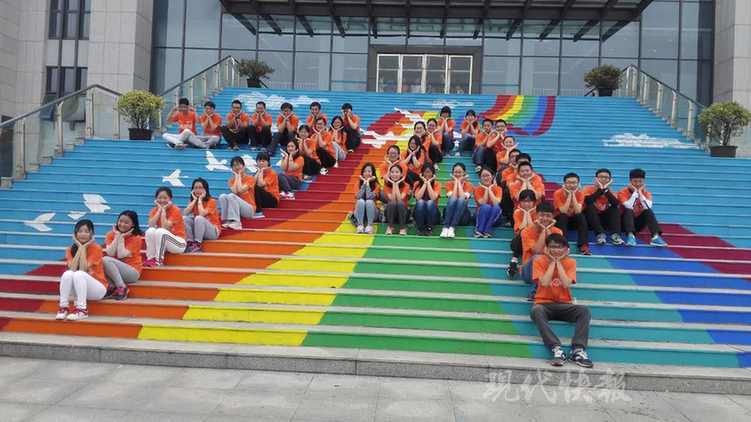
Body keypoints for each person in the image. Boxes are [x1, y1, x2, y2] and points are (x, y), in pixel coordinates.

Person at [530, 233, 593, 368]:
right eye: (552, 247)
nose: (555, 250)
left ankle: (578, 350)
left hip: (565, 304)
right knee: (536, 310)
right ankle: (556, 348)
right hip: (544, 304)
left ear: (565, 249)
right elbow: (545, 282)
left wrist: (558, 262)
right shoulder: (539, 261)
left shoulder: (570, 262)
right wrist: (552, 262)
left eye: (559, 247)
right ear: (546, 248)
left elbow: (566, 283)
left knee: (584, 310)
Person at [56, 219, 107, 320]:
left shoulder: (96, 248)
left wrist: (83, 247)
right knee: (67, 273)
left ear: (91, 234)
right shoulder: (70, 249)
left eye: (86, 231)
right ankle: (63, 307)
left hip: (98, 289)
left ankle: (82, 310)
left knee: (79, 274)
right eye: (80, 231)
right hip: (79, 287)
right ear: (75, 234)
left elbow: (83, 268)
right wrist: (80, 247)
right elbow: (72, 268)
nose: (83, 234)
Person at [521, 202, 563, 300]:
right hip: (529, 272)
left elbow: (555, 251)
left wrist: (547, 229)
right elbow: (537, 251)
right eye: (542, 215)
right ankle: (536, 292)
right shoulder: (526, 231)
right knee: (538, 257)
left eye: (548, 216)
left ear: (553, 217)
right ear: (536, 215)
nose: (545, 218)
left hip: (549, 271)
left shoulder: (558, 232)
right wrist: (544, 230)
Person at [618, 168, 668, 247]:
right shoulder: (622, 192)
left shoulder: (647, 193)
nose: (638, 184)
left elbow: (648, 207)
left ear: (644, 182)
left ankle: (655, 237)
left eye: (640, 181)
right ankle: (630, 236)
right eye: (635, 181)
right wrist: (635, 192)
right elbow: (629, 206)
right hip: (623, 224)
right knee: (628, 210)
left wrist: (640, 193)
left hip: (638, 225)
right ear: (630, 181)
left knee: (648, 210)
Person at [103, 211, 143, 301]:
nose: (122, 224)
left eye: (126, 222)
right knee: (102, 261)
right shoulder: (110, 234)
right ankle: (112, 288)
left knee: (105, 260)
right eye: (120, 221)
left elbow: (121, 255)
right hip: (116, 270)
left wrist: (121, 238)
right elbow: (110, 253)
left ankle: (122, 287)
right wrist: (117, 236)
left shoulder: (136, 238)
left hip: (132, 272)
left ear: (133, 224)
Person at [144, 187, 186, 267]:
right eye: (159, 198)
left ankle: (159, 261)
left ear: (170, 199)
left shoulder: (175, 210)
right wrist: (159, 210)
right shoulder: (154, 210)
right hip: (164, 242)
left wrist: (163, 210)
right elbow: (151, 225)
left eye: (165, 198)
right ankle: (151, 259)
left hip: (179, 244)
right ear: (156, 199)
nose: (162, 200)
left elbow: (165, 227)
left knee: (160, 231)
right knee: (150, 231)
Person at [583, 168, 624, 246]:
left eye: (606, 177)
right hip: (590, 221)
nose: (604, 179)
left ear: (610, 180)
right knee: (589, 206)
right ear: (596, 179)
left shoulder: (610, 192)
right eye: (601, 177)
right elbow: (588, 201)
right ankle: (600, 235)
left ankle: (615, 236)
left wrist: (605, 190)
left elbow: (616, 203)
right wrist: (600, 189)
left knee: (615, 208)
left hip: (604, 221)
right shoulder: (587, 189)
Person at [554, 173, 591, 255]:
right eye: (569, 183)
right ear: (564, 184)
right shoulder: (558, 193)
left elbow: (578, 211)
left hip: (574, 221)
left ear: (578, 184)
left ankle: (583, 246)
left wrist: (573, 194)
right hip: (561, 222)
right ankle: (564, 245)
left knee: (581, 216)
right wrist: (569, 196)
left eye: (574, 183)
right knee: (563, 216)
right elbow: (563, 211)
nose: (571, 185)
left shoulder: (580, 193)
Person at [183, 178, 221, 253]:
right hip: (199, 230)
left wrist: (200, 199)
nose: (197, 190)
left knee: (199, 218)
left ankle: (197, 244)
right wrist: (194, 200)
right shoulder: (193, 202)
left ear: (205, 190)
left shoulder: (211, 201)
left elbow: (201, 214)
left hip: (213, 232)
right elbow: (185, 213)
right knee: (185, 218)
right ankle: (190, 243)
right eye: (195, 188)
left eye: (200, 188)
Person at [219, 156, 256, 230]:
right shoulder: (231, 180)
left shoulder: (251, 178)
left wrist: (238, 175)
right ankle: (228, 220)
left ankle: (237, 222)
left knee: (231, 196)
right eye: (234, 165)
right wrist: (237, 176)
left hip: (249, 209)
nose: (236, 167)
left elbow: (240, 190)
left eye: (238, 164)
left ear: (244, 166)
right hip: (238, 208)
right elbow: (235, 191)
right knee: (222, 196)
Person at [507, 189, 537, 278]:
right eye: (524, 201)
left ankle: (514, 260)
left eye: (529, 201)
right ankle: (514, 260)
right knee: (523, 232)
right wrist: (526, 213)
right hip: (519, 242)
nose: (526, 204)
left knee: (526, 233)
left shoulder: (538, 213)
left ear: (534, 202)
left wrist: (528, 213)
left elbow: (532, 230)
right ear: (520, 202)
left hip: (533, 241)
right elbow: (520, 229)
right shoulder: (517, 212)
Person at [441, 163, 473, 239]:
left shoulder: (469, 185)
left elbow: (463, 197)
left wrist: (458, 182)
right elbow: (453, 197)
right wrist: (456, 181)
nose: (457, 174)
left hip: (463, 216)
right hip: (449, 213)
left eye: (460, 172)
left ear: (464, 173)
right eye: (455, 172)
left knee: (461, 200)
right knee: (453, 199)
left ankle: (451, 227)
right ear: (452, 173)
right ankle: (446, 228)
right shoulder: (448, 184)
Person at [413, 163, 441, 236]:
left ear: (433, 173)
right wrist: (425, 183)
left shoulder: (437, 184)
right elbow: (418, 198)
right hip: (419, 213)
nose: (427, 174)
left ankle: (429, 228)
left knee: (430, 202)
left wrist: (428, 183)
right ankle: (420, 228)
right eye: (425, 172)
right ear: (422, 173)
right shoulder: (417, 184)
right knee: (420, 202)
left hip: (433, 214)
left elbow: (433, 198)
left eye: (429, 172)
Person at [382, 164, 410, 235]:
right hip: (390, 213)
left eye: (397, 172)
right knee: (392, 203)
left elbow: (400, 199)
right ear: (389, 174)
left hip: (403, 214)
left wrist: (396, 184)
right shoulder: (386, 186)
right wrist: (393, 183)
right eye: (392, 172)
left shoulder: (406, 185)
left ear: (401, 174)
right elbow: (393, 199)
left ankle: (402, 228)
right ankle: (390, 227)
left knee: (400, 203)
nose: (394, 174)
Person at [474, 167, 502, 238]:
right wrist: (487, 189)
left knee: (496, 207)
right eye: (483, 176)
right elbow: (482, 203)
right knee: (486, 207)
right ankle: (480, 230)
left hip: (495, 217)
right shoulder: (477, 189)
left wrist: (490, 189)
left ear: (492, 176)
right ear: (480, 178)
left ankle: (486, 230)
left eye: (487, 175)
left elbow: (496, 203)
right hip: (480, 215)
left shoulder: (498, 189)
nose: (485, 178)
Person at [353, 163, 379, 234]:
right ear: (362, 173)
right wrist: (364, 184)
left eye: (369, 171)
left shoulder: (376, 185)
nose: (367, 173)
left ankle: (369, 226)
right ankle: (360, 225)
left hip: (372, 214)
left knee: (369, 201)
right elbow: (358, 196)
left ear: (373, 173)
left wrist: (367, 183)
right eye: (365, 171)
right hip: (359, 213)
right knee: (360, 201)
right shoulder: (357, 183)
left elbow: (368, 197)